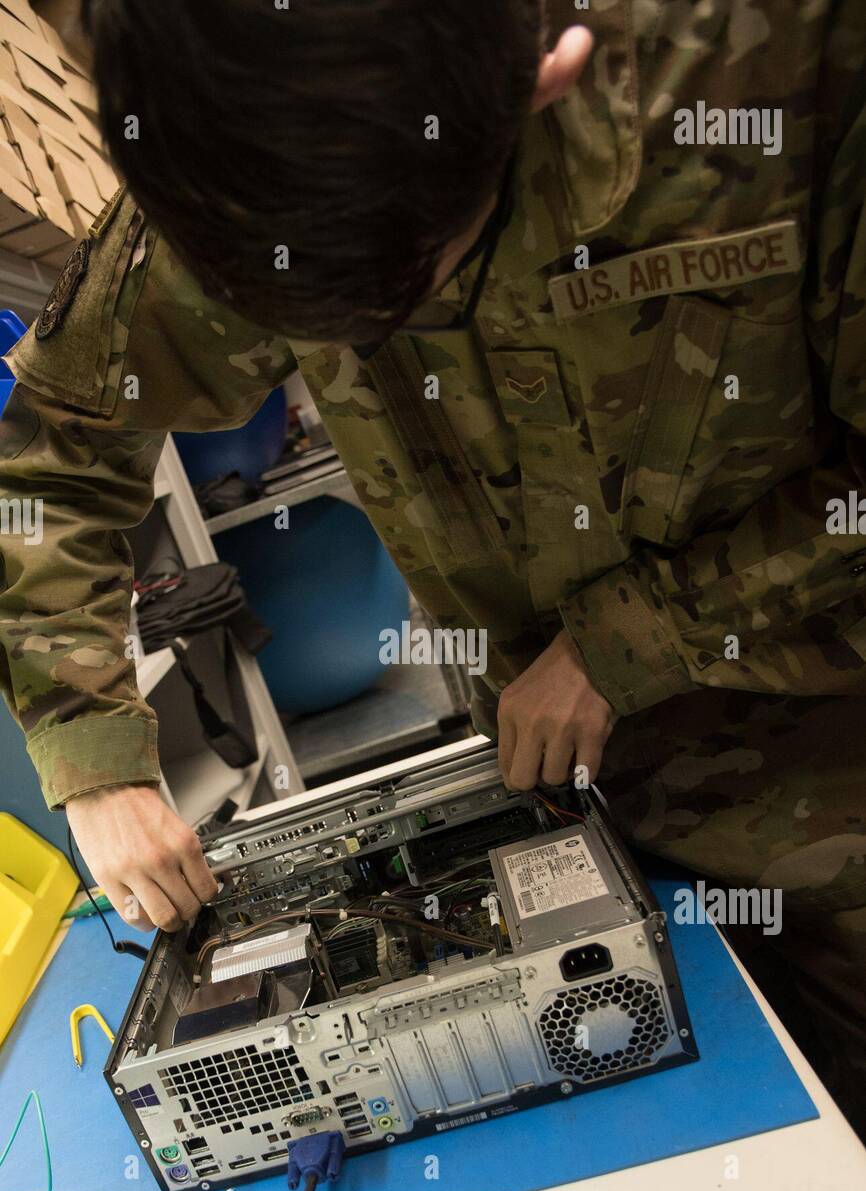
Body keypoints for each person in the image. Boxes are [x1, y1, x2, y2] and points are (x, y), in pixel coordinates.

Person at [1, 0, 864, 1133]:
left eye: (408, 286)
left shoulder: (784, 62)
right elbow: (54, 455)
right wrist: (92, 753)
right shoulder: (248, 109)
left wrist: (630, 637)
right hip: (570, 784)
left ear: (543, 74)